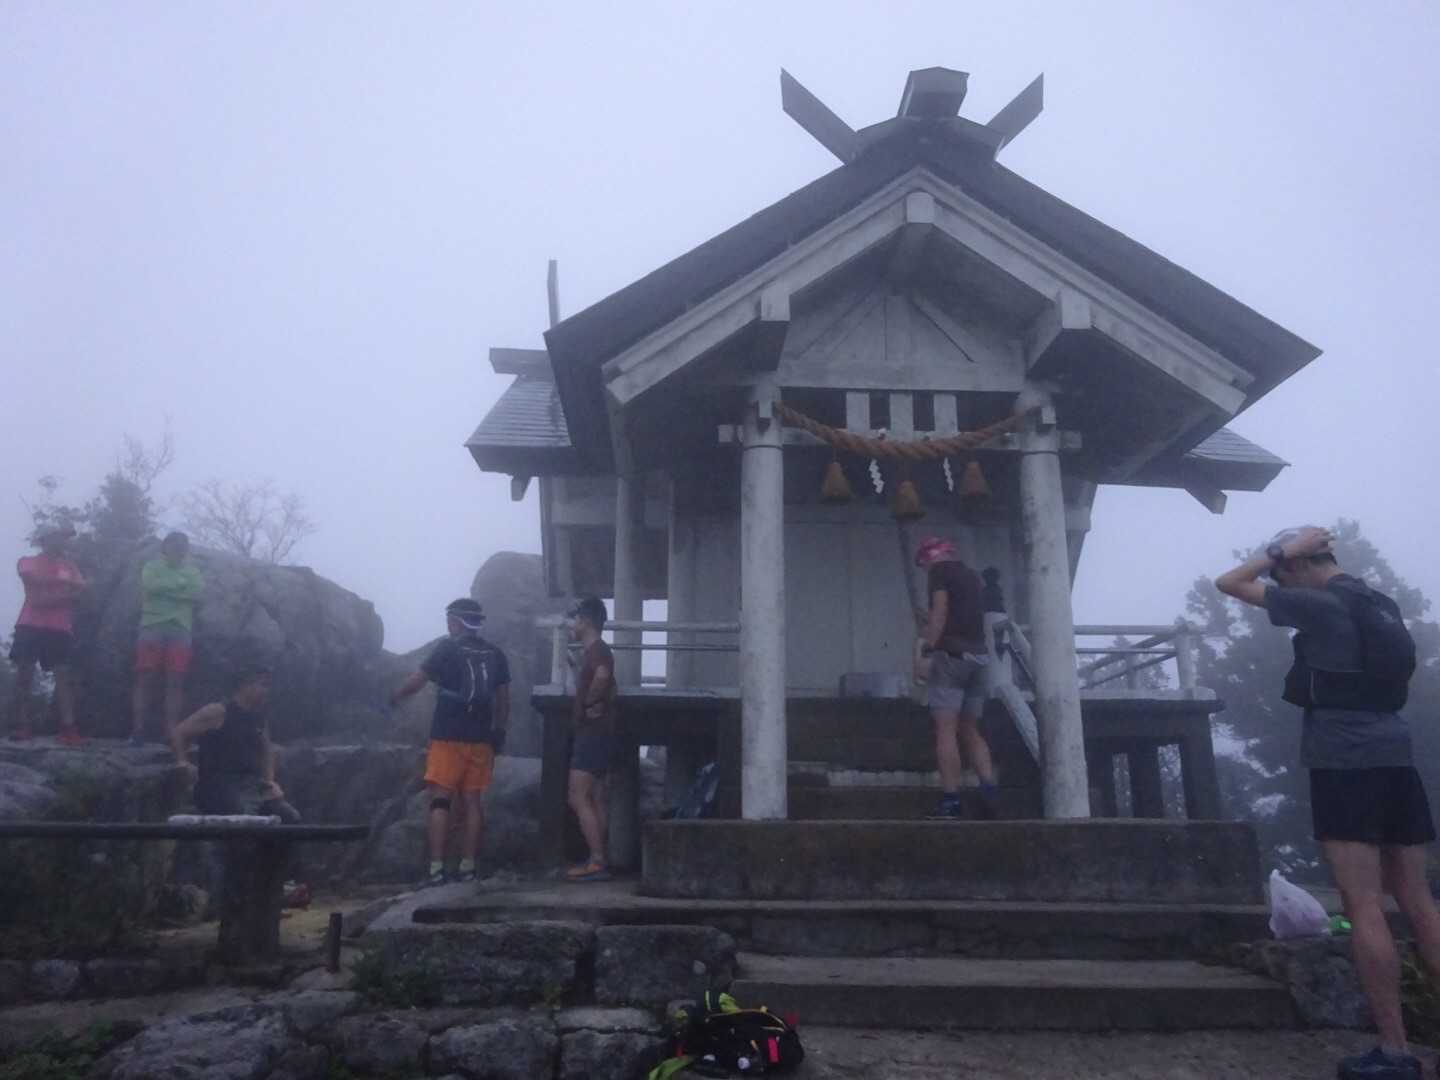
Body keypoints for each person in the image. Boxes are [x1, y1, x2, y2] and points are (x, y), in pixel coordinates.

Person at [1216, 526, 1440, 1080]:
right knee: (1419, 903)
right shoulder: (1378, 601)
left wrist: (1277, 553)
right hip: (1395, 752)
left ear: (1297, 566)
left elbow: (1229, 583)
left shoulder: (1317, 603)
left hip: (1344, 761)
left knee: (1363, 906)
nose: (1279, 584)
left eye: (1282, 575)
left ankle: (1395, 1052)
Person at [390, 598, 510, 886]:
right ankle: (468, 867)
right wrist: (498, 733)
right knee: (473, 802)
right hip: (481, 738)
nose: (447, 625)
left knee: (441, 801)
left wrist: (395, 697)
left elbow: (418, 680)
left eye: (449, 620)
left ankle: (436, 869)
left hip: (446, 736)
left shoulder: (447, 649)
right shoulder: (495, 654)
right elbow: (504, 701)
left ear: (456, 621)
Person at [913, 536, 998, 820]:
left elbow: (941, 611)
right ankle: (989, 790)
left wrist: (927, 650)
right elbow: (964, 614)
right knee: (970, 728)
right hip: (980, 659)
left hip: (952, 658)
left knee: (945, 729)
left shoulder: (940, 572)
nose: (925, 569)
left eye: (924, 564)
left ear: (931, 557)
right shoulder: (972, 576)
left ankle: (951, 801)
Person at [171, 665, 298, 822]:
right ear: (246, 685)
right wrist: (182, 761)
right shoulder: (218, 711)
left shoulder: (259, 718)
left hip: (252, 784)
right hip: (217, 784)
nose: (267, 691)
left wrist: (270, 782)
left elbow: (267, 752)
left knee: (289, 816)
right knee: (242, 813)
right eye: (263, 685)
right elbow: (178, 733)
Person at [9, 524, 87, 744]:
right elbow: (35, 593)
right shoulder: (27, 561)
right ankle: (22, 725)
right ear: (44, 540)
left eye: (64, 537)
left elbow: (81, 592)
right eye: (58, 537)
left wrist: (53, 592)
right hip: (29, 624)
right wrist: (65, 590)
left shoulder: (70, 566)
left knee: (63, 675)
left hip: (59, 627)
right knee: (25, 674)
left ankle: (69, 728)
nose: (63, 541)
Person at [132, 531, 203, 744]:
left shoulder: (192, 571)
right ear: (165, 546)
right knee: (146, 678)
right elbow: (150, 586)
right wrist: (179, 585)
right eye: (175, 544)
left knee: (176, 681)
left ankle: (171, 732)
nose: (179, 548)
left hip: (181, 628)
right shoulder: (152, 567)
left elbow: (196, 593)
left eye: (183, 545)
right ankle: (138, 731)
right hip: (153, 625)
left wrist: (166, 588)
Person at [565, 595, 616, 882]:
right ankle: (599, 859)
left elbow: (602, 675)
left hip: (592, 733)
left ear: (585, 621)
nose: (572, 625)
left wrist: (588, 703)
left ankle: (597, 861)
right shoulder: (597, 650)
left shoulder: (597, 650)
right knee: (595, 797)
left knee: (577, 796)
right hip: (602, 732)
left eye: (575, 620)